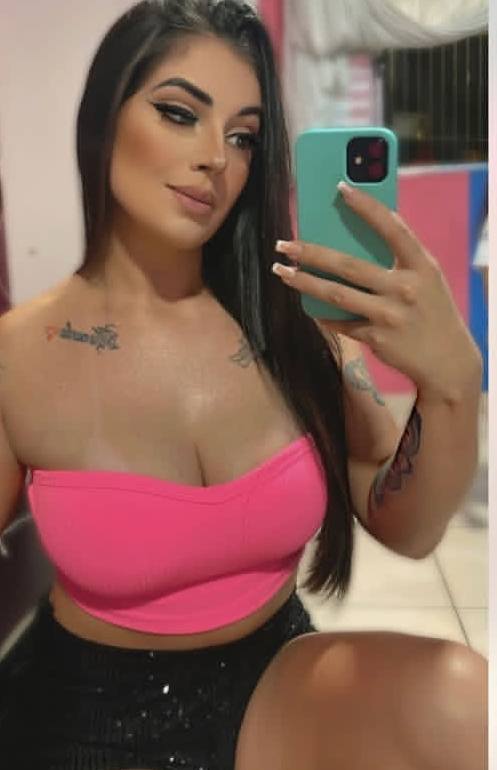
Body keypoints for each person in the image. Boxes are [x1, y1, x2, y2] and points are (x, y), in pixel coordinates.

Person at [0, 1, 486, 769]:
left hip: (273, 676)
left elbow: (407, 526)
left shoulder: (291, 324)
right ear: (104, 116)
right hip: (88, 709)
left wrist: (452, 383)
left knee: (462, 699)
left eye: (243, 136)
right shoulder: (19, 355)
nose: (215, 158)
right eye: (178, 113)